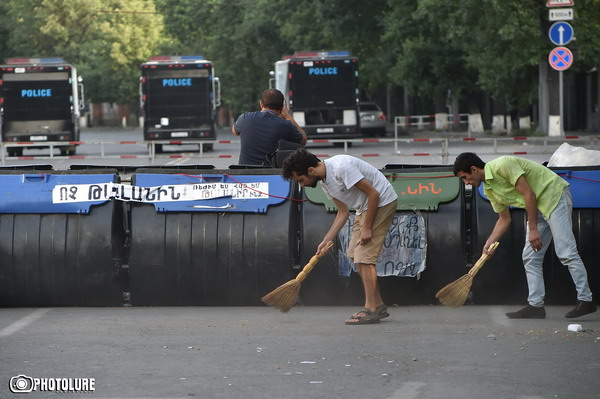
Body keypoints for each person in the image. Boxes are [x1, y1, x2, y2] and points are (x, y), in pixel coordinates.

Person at [453, 153, 596, 319]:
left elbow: (529, 194)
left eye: (465, 177)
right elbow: (504, 219)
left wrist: (533, 228)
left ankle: (586, 300)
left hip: (554, 197)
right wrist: (489, 242)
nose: (466, 183)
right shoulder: (488, 190)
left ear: (474, 169)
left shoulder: (503, 165)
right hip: (537, 209)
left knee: (566, 252)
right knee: (530, 257)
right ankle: (536, 306)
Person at [282, 148, 398, 325]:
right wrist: (326, 239)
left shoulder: (342, 167)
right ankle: (379, 305)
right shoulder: (325, 183)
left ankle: (371, 309)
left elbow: (374, 194)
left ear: (310, 171)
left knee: (364, 258)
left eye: (301, 180)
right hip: (364, 208)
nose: (302, 185)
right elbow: (343, 212)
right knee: (356, 257)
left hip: (382, 201)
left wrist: (367, 228)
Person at [232, 89, 307, 165]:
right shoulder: (284, 124)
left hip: (245, 172)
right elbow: (303, 140)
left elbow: (234, 131)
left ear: (261, 104)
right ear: (282, 107)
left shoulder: (245, 118)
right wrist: (288, 117)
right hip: (270, 173)